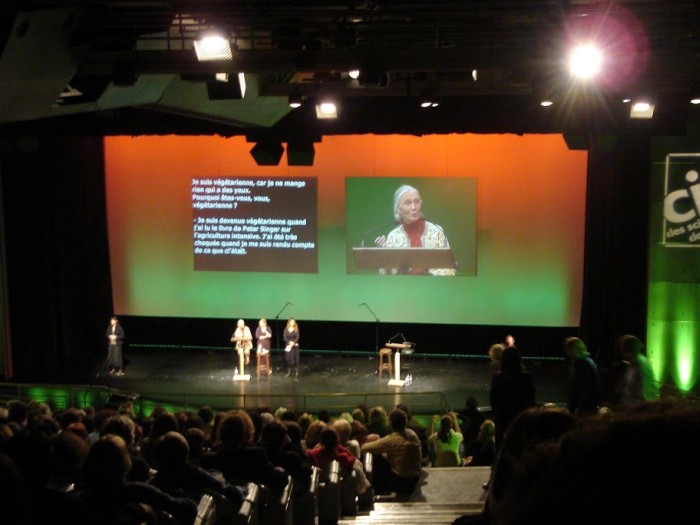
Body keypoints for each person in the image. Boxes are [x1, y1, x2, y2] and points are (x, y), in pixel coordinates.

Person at [374, 184, 456, 276]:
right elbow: (386, 277)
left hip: (432, 287)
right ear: (398, 209)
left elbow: (450, 268)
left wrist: (425, 272)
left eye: (416, 202)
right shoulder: (393, 236)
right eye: (408, 203)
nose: (414, 207)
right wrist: (385, 255)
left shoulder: (437, 231)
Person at [360, 408, 422, 497]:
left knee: (376, 457)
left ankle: (377, 490)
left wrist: (372, 439)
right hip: (415, 478)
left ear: (391, 423)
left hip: (402, 482)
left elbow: (364, 448)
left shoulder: (392, 440)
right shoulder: (412, 434)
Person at [489, 345, 536, 454]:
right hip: (521, 418)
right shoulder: (526, 378)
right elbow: (531, 400)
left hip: (503, 419)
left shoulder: (498, 378)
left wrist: (498, 416)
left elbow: (494, 400)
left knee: (502, 449)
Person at [563, 336, 601, 416]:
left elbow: (588, 389)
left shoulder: (584, 365)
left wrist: (580, 408)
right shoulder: (582, 363)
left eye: (568, 349)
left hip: (583, 409)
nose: (567, 353)